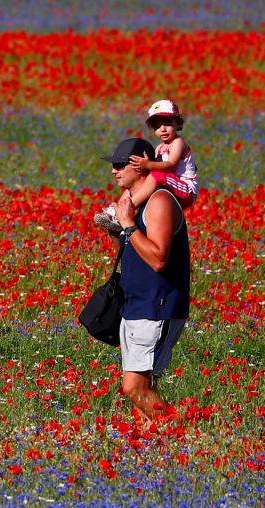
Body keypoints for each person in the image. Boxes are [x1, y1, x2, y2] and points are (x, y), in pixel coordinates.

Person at [99, 137, 191, 420]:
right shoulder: (134, 205)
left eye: (120, 164)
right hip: (137, 304)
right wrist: (117, 230)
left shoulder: (160, 201)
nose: (114, 171)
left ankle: (179, 430)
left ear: (140, 165)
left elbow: (158, 258)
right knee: (143, 386)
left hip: (156, 305)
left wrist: (127, 224)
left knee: (133, 387)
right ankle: (154, 439)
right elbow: (132, 252)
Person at [95, 99, 198, 234]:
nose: (163, 129)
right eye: (157, 127)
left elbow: (170, 165)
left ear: (178, 124)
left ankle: (130, 206)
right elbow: (155, 168)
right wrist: (143, 167)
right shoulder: (160, 147)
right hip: (171, 181)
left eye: (167, 124)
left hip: (187, 189)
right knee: (140, 180)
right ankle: (119, 209)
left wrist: (148, 164)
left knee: (157, 175)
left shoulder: (179, 143)